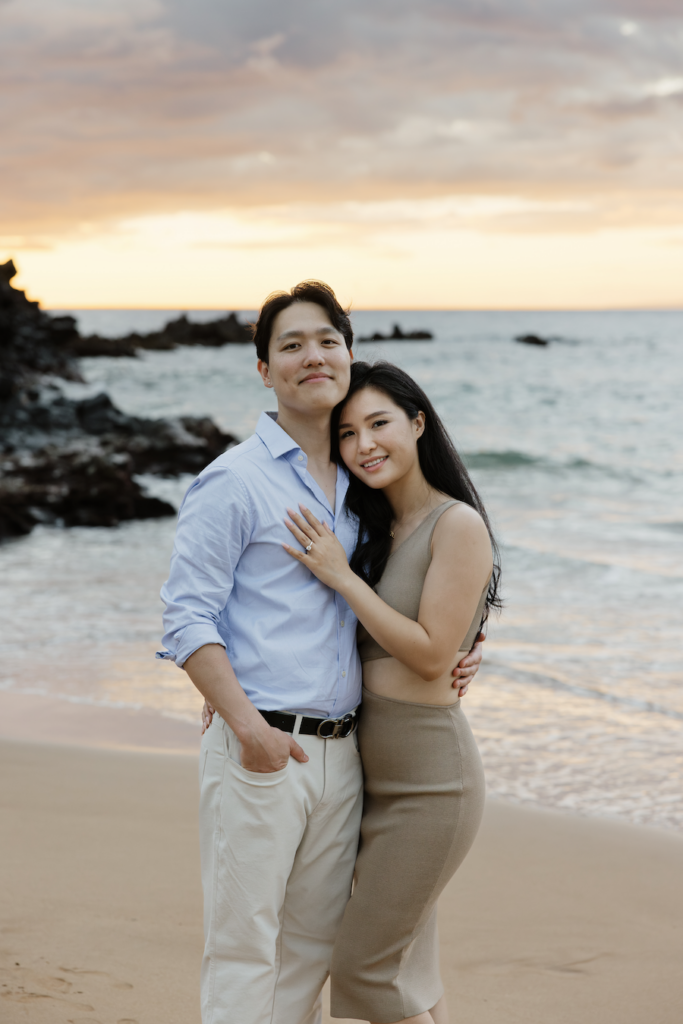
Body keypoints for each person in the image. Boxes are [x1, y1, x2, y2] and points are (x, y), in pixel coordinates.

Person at [158, 281, 484, 1024]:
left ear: (348, 353)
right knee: (245, 952)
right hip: (262, 746)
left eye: (327, 341)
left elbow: (414, 593)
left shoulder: (362, 485)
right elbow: (184, 618)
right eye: (291, 345)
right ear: (264, 370)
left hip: (346, 758)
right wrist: (246, 727)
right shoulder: (234, 480)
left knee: (310, 954)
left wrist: (466, 650)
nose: (313, 356)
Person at [280, 360, 500, 1024]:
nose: (363, 445)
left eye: (378, 424)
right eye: (346, 433)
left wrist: (342, 579)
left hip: (430, 785)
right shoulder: (369, 529)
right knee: (405, 972)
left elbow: (433, 654)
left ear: (417, 423)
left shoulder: (454, 523)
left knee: (364, 972)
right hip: (365, 777)